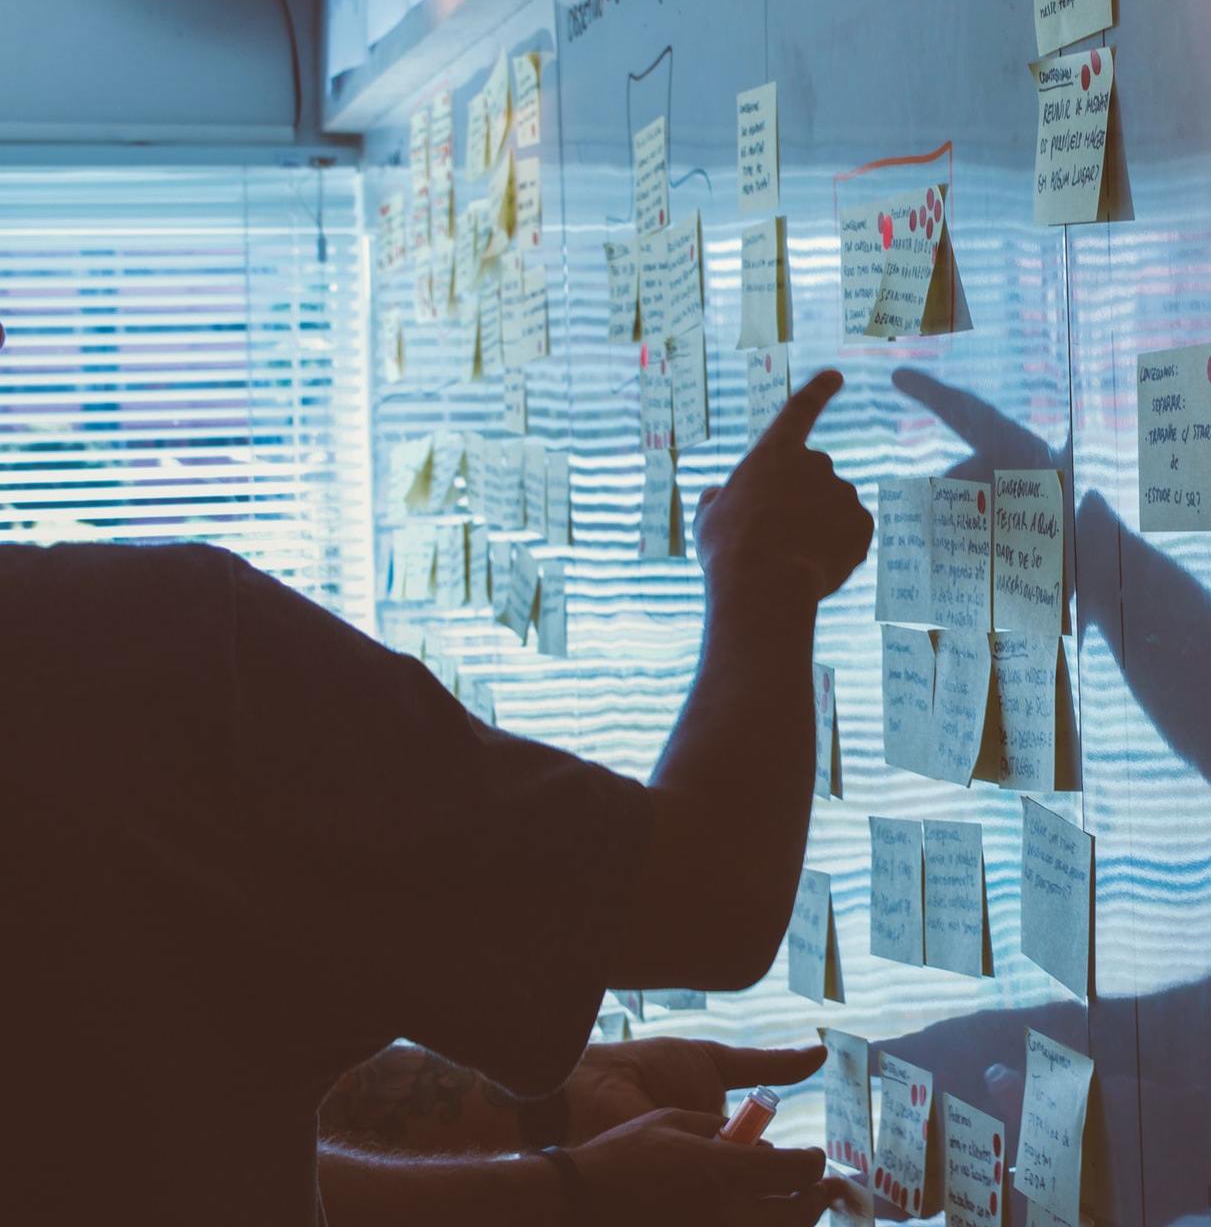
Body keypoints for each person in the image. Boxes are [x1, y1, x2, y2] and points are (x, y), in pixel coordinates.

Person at [0, 370, 874, 1226]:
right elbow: (706, 901)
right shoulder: (147, 651)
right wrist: (766, 568)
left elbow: (126, 1131)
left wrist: (547, 1134)